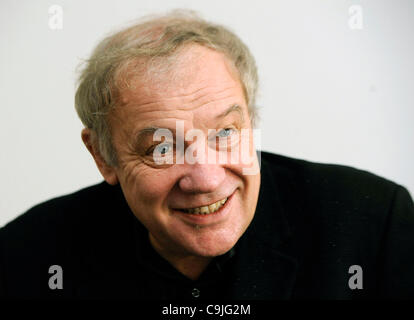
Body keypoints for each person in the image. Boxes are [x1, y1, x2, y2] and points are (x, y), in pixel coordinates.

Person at [0, 10, 413, 300]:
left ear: (251, 121)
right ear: (103, 156)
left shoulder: (375, 224)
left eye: (224, 133)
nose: (207, 178)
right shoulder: (25, 259)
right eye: (161, 147)